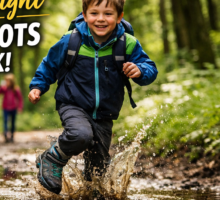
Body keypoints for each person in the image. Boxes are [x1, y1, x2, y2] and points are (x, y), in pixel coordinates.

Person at [28, 0, 158, 195]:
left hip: (105, 112)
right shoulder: (71, 40)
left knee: (97, 172)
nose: (100, 19)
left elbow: (150, 68)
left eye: (108, 14)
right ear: (85, 14)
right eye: (94, 13)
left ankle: (88, 193)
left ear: (119, 17)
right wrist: (38, 86)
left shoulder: (127, 43)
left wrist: (140, 70)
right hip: (73, 103)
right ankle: (52, 158)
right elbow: (49, 64)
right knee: (81, 134)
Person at [0, 74, 23, 143]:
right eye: (6, 81)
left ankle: (12, 135)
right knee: (5, 121)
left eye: (8, 81)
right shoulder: (4, 89)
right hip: (5, 107)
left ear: (11, 82)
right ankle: (5, 134)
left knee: (12, 122)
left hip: (13, 107)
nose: (7, 82)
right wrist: (1, 87)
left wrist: (20, 107)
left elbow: (20, 99)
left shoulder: (16, 89)